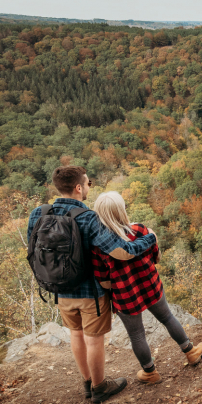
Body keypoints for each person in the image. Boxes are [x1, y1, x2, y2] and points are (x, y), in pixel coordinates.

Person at [27, 166, 158, 403]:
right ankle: (100, 387)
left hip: (59, 289)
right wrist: (149, 238)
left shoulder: (38, 213)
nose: (89, 188)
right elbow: (122, 252)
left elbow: (32, 251)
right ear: (78, 187)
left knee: (75, 335)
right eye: (88, 184)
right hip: (90, 293)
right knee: (94, 339)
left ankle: (87, 384)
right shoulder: (89, 218)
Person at [91, 191, 202, 385]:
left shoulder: (98, 246)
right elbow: (157, 257)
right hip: (150, 285)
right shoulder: (140, 230)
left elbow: (103, 281)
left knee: (136, 334)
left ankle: (150, 373)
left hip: (125, 296)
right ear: (122, 210)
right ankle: (191, 352)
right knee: (168, 317)